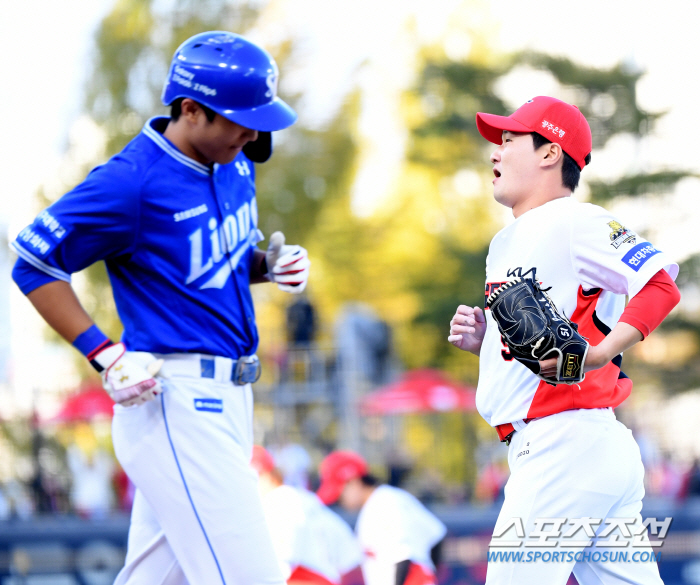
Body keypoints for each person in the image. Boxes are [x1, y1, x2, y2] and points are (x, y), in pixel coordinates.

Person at [10, 31, 310, 585]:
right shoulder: (133, 180)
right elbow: (33, 262)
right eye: (240, 118)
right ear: (191, 110)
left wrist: (265, 266)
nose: (252, 132)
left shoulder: (235, 161)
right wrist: (103, 353)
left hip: (230, 399)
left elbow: (202, 262)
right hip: (175, 399)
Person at [448, 96, 681, 584]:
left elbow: (661, 286)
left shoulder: (576, 221)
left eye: (509, 140)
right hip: (580, 445)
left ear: (550, 153)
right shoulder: (506, 242)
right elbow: (546, 344)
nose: (495, 151)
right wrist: (490, 343)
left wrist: (599, 353)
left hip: (565, 443)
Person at [317, 451, 446, 585]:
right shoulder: (389, 498)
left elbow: (402, 558)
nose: (339, 501)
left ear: (353, 481)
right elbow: (436, 535)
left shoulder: (382, 504)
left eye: (339, 494)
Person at [251, 446, 363, 585]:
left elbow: (280, 571)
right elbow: (352, 563)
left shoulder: (278, 502)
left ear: (266, 476)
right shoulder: (301, 499)